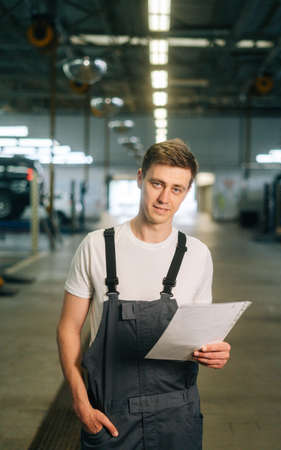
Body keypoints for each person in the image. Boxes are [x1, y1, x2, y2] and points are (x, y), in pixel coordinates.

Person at [57, 138, 231, 450]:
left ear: (187, 192)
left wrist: (213, 352)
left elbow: (199, 337)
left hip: (177, 418)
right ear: (140, 179)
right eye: (157, 184)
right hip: (110, 418)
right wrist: (80, 402)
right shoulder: (97, 246)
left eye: (177, 188)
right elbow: (68, 327)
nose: (165, 197)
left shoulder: (197, 254)